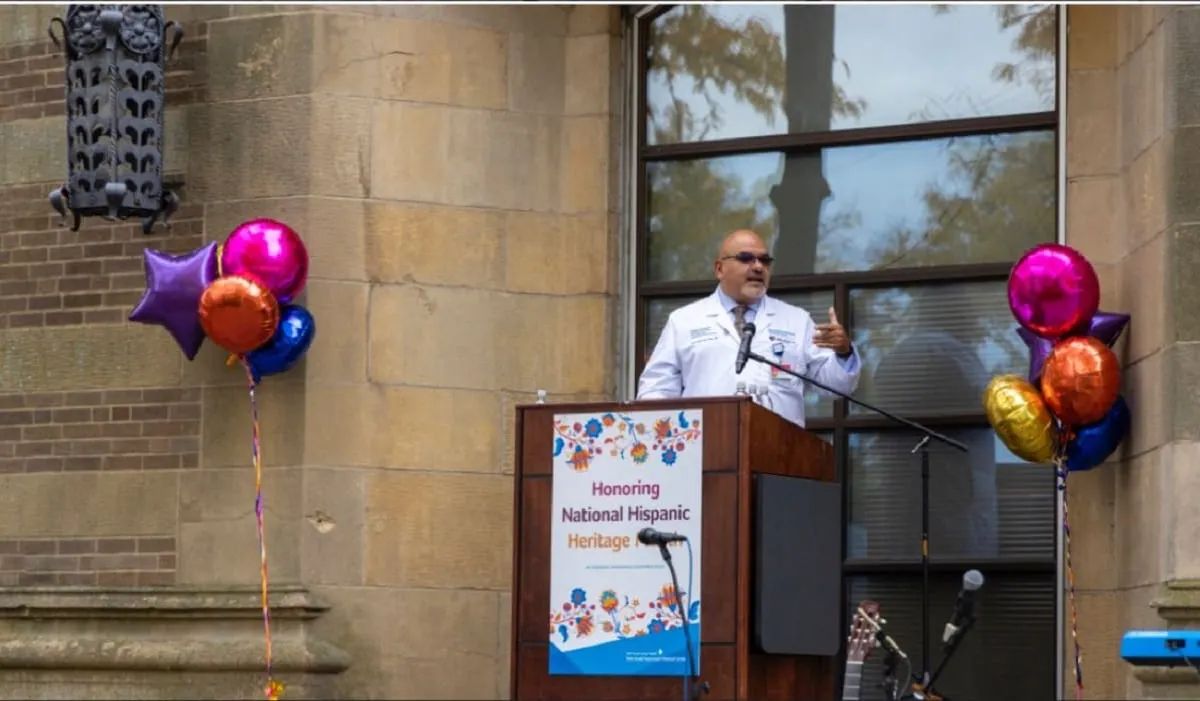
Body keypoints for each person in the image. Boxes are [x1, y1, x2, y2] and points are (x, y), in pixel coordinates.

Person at [637, 229, 861, 427]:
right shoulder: (684, 321)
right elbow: (656, 392)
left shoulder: (796, 321)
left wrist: (843, 352)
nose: (758, 267)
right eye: (746, 258)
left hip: (781, 454)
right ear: (719, 268)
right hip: (705, 456)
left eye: (764, 261)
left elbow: (837, 385)